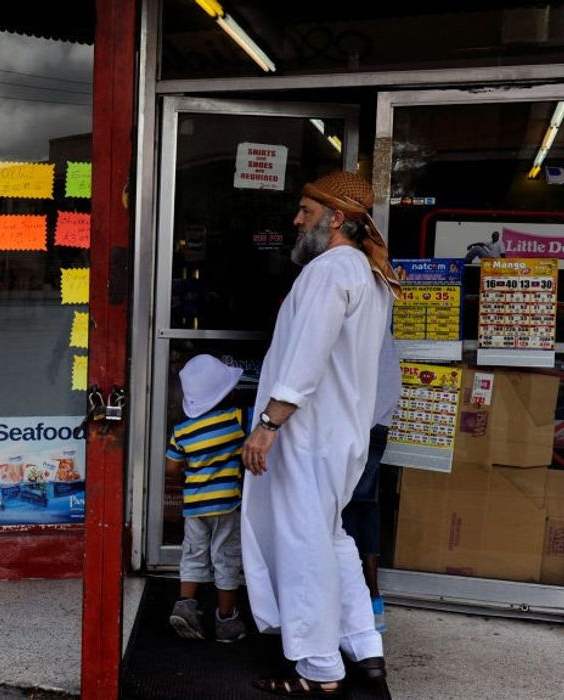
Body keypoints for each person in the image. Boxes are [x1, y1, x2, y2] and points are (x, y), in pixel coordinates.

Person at [240, 171, 400, 696]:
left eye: (306, 212)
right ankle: (363, 645)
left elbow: (306, 355)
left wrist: (267, 425)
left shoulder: (331, 271)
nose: (296, 221)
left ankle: (318, 668)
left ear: (336, 219)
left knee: (304, 543)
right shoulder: (366, 273)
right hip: (339, 434)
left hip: (307, 436)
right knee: (331, 538)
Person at [165, 354, 249, 643]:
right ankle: (226, 621)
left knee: (194, 553)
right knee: (225, 556)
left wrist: (191, 471)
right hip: (227, 503)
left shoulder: (182, 431)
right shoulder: (237, 420)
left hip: (194, 505)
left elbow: (172, 469)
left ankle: (185, 607)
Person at [340, 326, 400, 634]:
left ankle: (357, 602)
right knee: (366, 505)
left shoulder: (357, 323)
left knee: (345, 508)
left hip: (357, 423)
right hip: (377, 423)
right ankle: (373, 602)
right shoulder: (381, 321)